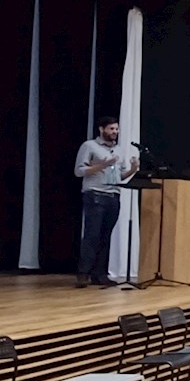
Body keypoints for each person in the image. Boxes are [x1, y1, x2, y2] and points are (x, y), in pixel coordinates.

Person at [73, 117, 137, 287]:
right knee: (92, 236)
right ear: (102, 129)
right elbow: (79, 171)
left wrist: (133, 169)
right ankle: (83, 273)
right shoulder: (89, 146)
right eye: (111, 129)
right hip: (95, 195)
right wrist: (102, 165)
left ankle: (100, 274)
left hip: (113, 196)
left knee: (105, 237)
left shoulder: (119, 150)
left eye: (116, 129)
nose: (115, 132)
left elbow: (120, 176)